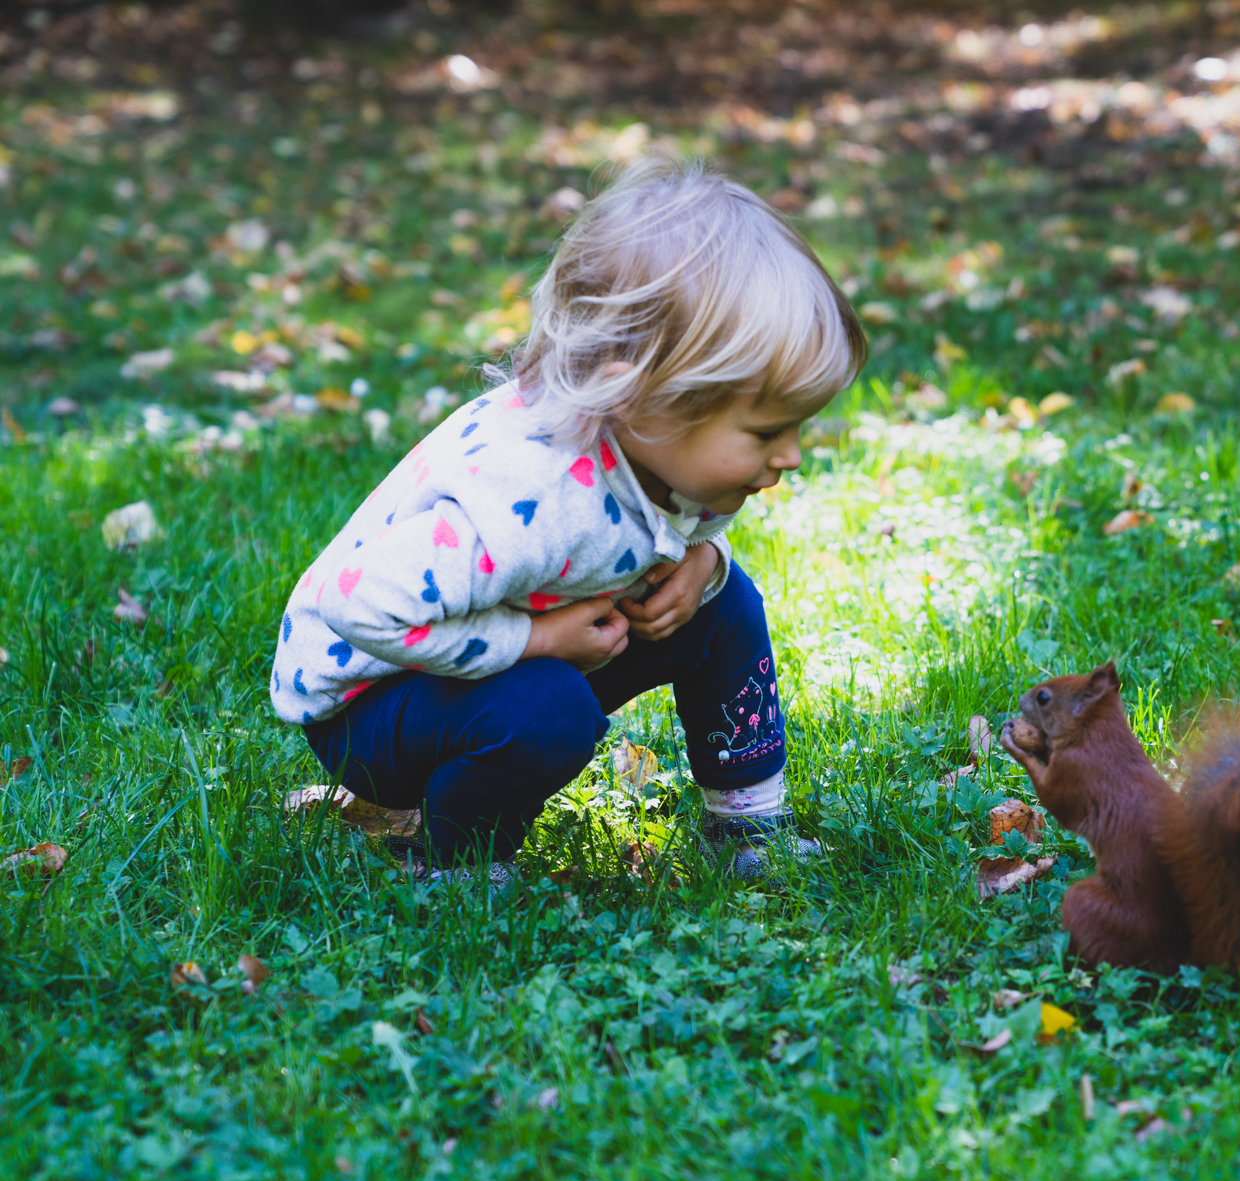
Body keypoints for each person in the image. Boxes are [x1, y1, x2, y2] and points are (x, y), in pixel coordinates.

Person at [268, 158, 865, 884]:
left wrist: (702, 566)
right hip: (374, 703)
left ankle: (747, 826)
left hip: (506, 644)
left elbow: (671, 529)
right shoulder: (530, 501)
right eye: (768, 432)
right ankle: (457, 864)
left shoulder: (659, 450)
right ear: (641, 395)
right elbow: (357, 603)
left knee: (724, 600)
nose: (793, 457)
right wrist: (538, 640)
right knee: (546, 709)